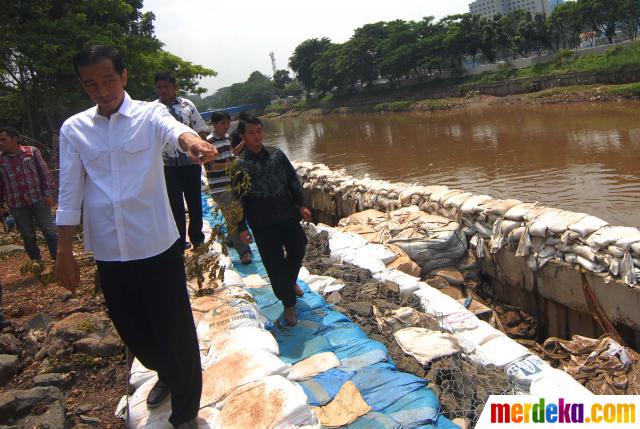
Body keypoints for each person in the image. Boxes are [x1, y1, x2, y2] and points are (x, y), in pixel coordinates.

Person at [55, 45, 217, 429]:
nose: (101, 90)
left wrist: (194, 143)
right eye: (91, 83)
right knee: (133, 330)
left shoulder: (150, 113)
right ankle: (164, 371)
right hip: (110, 251)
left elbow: (175, 131)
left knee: (174, 329)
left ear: (123, 77)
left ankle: (185, 412)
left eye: (108, 79)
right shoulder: (74, 129)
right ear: (82, 85)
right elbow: (68, 191)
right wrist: (64, 251)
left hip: (156, 244)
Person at [236, 115, 312, 326]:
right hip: (262, 222)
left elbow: (292, 180)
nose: (257, 136)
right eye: (251, 132)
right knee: (274, 263)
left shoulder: (276, 154)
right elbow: (237, 199)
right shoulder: (240, 165)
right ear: (242, 136)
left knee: (299, 246)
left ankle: (288, 283)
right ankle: (289, 304)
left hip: (286, 213)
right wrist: (241, 227)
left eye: (259, 131)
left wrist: (302, 204)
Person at [155, 71, 209, 251]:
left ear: (174, 87)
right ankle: (179, 239)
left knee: (194, 201)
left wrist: (202, 151)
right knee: (173, 204)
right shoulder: (152, 110)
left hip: (190, 163)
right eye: (160, 87)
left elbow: (200, 129)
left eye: (167, 87)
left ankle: (197, 237)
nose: (163, 91)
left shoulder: (187, 105)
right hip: (166, 165)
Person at [0, 126, 58, 262]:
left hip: (38, 199)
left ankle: (58, 261)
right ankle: (37, 263)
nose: (0, 143)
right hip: (17, 204)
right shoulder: (1, 160)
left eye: (3, 139)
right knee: (28, 236)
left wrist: (48, 193)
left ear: (14, 139)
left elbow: (44, 173)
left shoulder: (31, 152)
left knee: (49, 231)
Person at [205, 111, 253, 264]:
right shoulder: (209, 142)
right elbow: (210, 167)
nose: (226, 127)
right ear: (213, 124)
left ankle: (231, 240)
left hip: (231, 185)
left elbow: (231, 154)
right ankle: (244, 253)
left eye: (228, 123)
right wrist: (231, 164)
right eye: (222, 124)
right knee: (234, 219)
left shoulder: (226, 139)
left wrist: (244, 142)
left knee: (237, 216)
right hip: (219, 188)